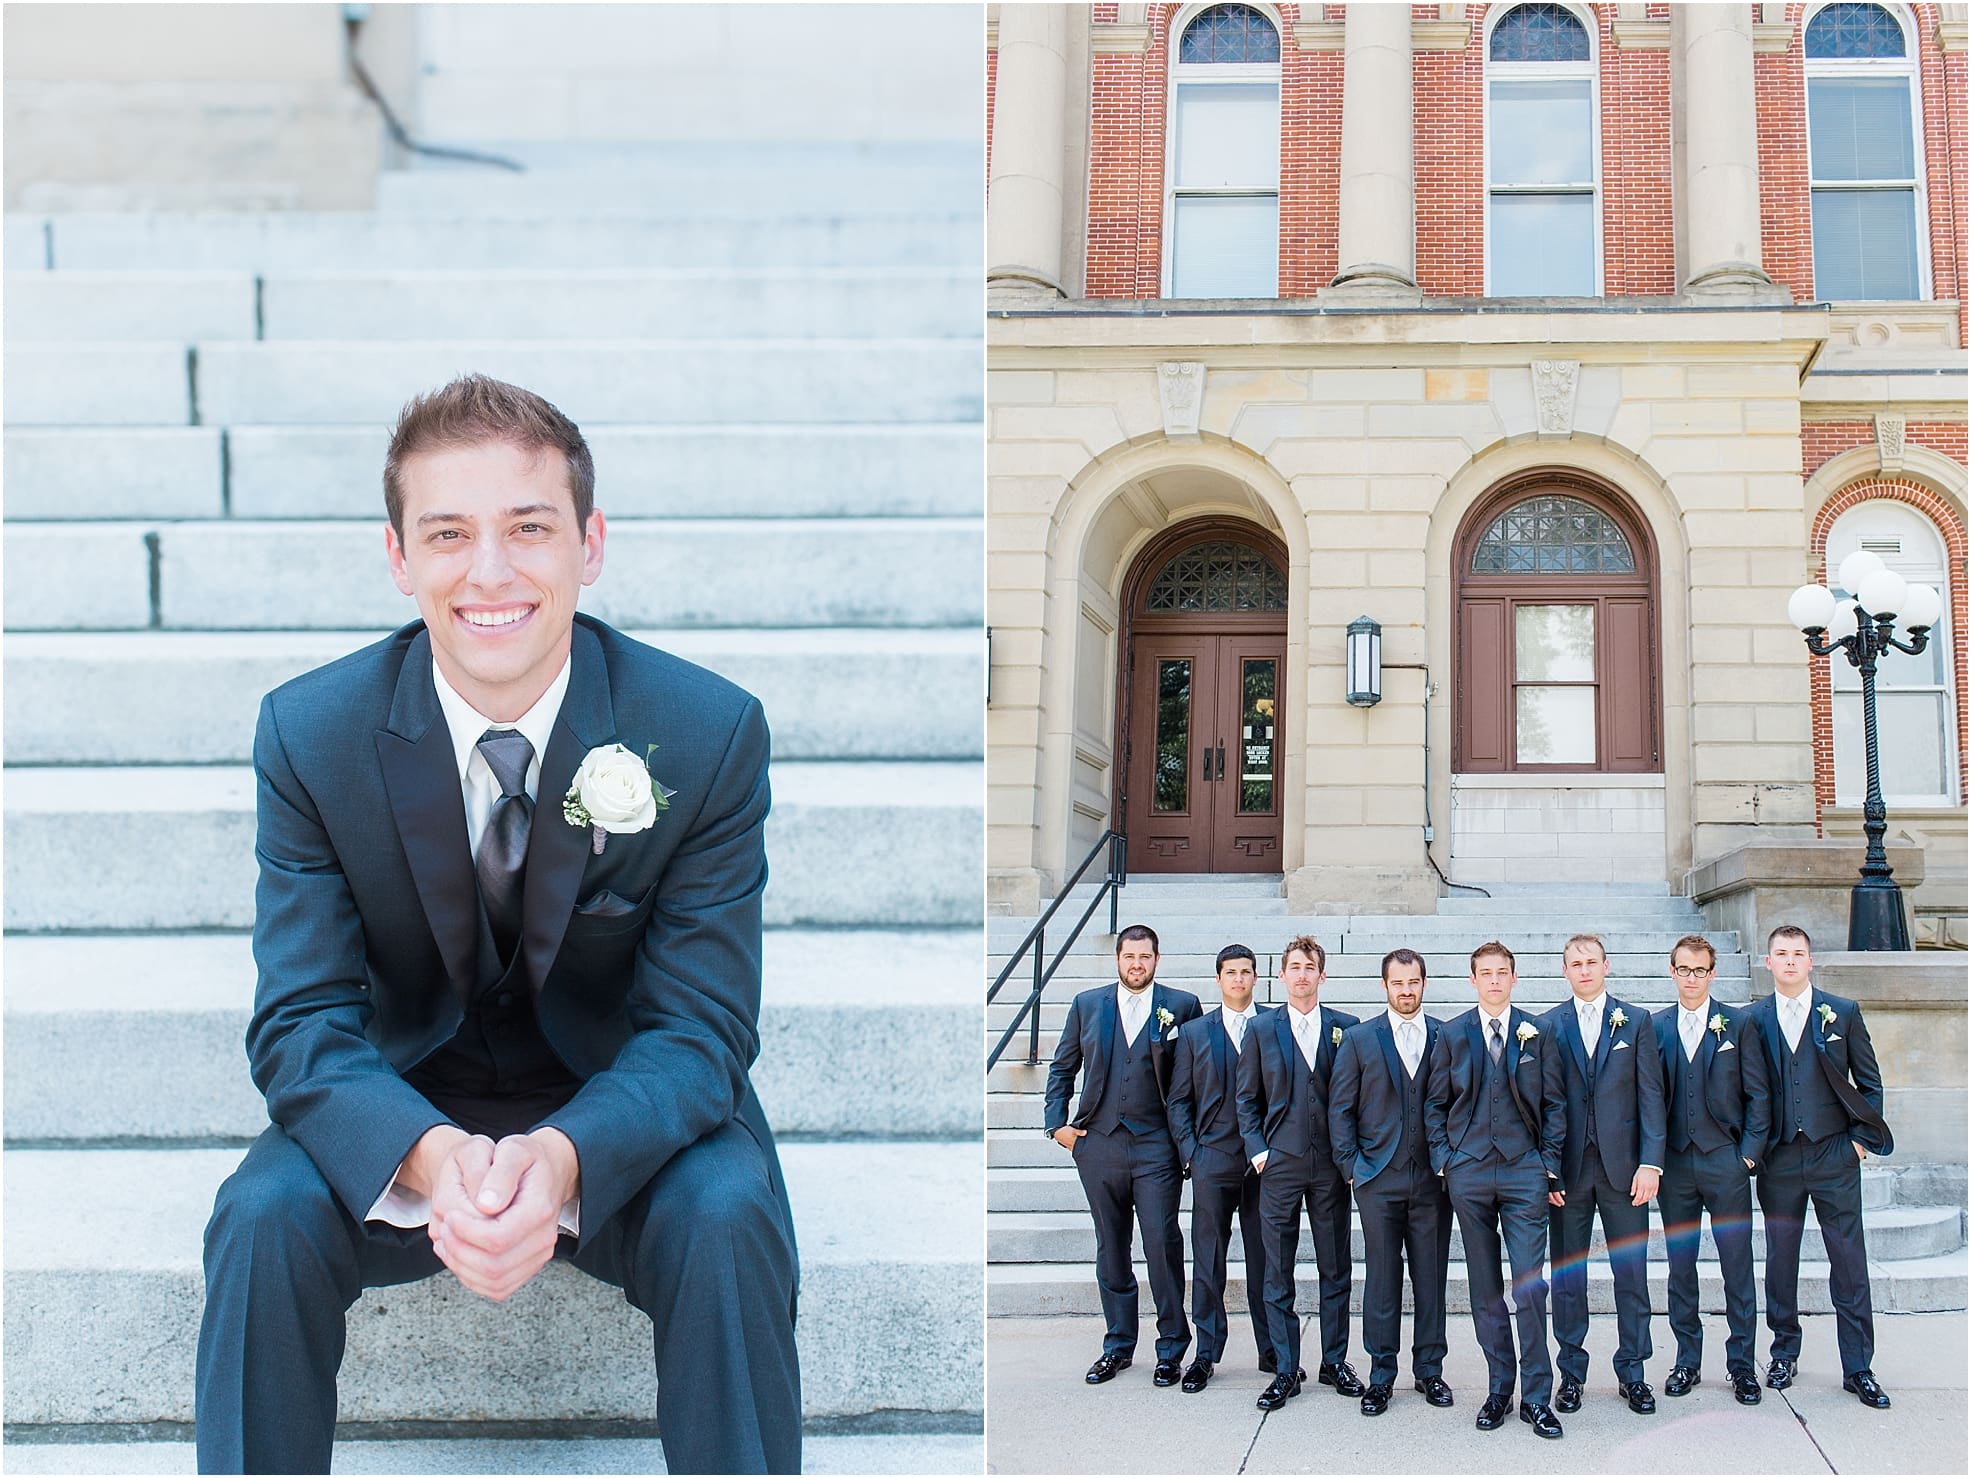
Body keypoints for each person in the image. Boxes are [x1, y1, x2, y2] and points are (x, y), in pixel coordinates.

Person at [194, 375, 801, 1474]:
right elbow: (299, 1026)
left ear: (591, 542)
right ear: (398, 557)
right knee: (257, 1218)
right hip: (406, 1103)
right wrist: (428, 1156)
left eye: (528, 527)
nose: (490, 572)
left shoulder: (704, 735)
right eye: (448, 534)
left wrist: (565, 1158)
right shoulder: (311, 735)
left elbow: (703, 1030)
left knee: (729, 1213)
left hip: (626, 1113)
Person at [1743, 923, 1894, 1407]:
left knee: (1848, 1262)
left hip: (1834, 1153)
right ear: (1768, 962)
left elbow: (1869, 1083)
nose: (1789, 961)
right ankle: (1783, 1351)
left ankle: (1858, 1367)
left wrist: (1858, 1144)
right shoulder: (1752, 1019)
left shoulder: (1842, 1013)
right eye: (1781, 953)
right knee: (1780, 1260)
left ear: (1811, 961)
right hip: (1780, 1158)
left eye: (1798, 953)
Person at [1044, 923, 1202, 1387]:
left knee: (1161, 1243)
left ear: (1157, 960)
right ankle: (1117, 1345)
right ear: (1117, 959)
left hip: (1157, 1146)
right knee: (1111, 1248)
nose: (1137, 964)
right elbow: (1062, 1067)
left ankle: (1172, 1348)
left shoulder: (1181, 1006)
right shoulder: (1087, 1005)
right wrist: (1059, 1126)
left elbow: (1196, 1074)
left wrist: (1188, 1141)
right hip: (1100, 1144)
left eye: (1145, 957)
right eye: (1129, 957)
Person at [1423, 940, 1567, 1439]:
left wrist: (1547, 1165)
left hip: (1526, 1172)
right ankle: (1498, 1389)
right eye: (1485, 973)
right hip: (1470, 1173)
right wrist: (1445, 1162)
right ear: (1472, 979)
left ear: (1514, 977)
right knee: (1485, 1290)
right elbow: (1434, 1105)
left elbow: (1554, 1104)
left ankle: (1537, 1397)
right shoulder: (1453, 1034)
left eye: (1502, 973)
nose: (1494, 981)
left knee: (1530, 1286)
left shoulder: (1539, 1032)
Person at [1541, 933, 1667, 1417]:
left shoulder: (1635, 1022)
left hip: (1625, 1171)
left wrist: (1651, 1162)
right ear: (1565, 970)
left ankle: (1633, 1372)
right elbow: (1541, 1105)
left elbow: (1652, 1097)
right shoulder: (1548, 1026)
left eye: (1592, 962)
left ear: (1607, 966)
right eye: (1576, 963)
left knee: (1630, 1274)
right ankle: (1570, 1374)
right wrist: (1548, 1172)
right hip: (1569, 1172)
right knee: (1568, 1277)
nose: (1585, 970)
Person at [1236, 935, 1362, 1411]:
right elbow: (1246, 1098)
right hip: (1280, 1165)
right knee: (1277, 1270)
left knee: (1336, 1267)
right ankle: (1286, 1368)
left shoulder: (1344, 1029)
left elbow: (1352, 1100)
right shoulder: (1262, 1029)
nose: (1303, 975)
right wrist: (1260, 1152)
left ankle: (1334, 1361)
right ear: (1283, 975)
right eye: (1295, 968)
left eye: (1311, 967)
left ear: (1322, 975)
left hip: (1330, 1166)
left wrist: (1348, 1158)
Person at [1328, 947, 1455, 1418]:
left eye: (1413, 982)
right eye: (1397, 983)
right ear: (1384, 986)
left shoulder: (1445, 1035)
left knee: (1431, 1277)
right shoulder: (1361, 1039)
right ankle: (1381, 1375)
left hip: (1432, 1181)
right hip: (1376, 1180)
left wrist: (1450, 1163)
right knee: (1381, 1279)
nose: (1406, 990)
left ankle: (1429, 1370)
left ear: (1424, 983)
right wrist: (1352, 1169)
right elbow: (1340, 1109)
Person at [1649, 933, 1770, 1406]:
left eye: (1700, 970)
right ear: (1672, 971)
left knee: (1737, 1265)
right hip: (1675, 1165)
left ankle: (1742, 1366)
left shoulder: (1738, 1025)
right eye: (1684, 969)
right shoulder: (1654, 1027)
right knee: (1681, 1268)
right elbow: (1647, 1098)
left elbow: (1760, 1096)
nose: (1692, 977)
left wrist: (1746, 1156)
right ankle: (1687, 1361)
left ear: (1712, 973)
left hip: (1726, 1162)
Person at [1167, 944, 1273, 1393]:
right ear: (1218, 979)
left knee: (1267, 1261)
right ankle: (1206, 1354)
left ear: (1255, 978)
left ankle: (1273, 1351)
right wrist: (1192, 1153)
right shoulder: (1193, 1033)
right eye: (1231, 973)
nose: (1238, 980)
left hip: (1264, 1166)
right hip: (1212, 1160)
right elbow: (1178, 1101)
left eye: (1246, 972)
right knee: (1208, 1261)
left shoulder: (1273, 1025)